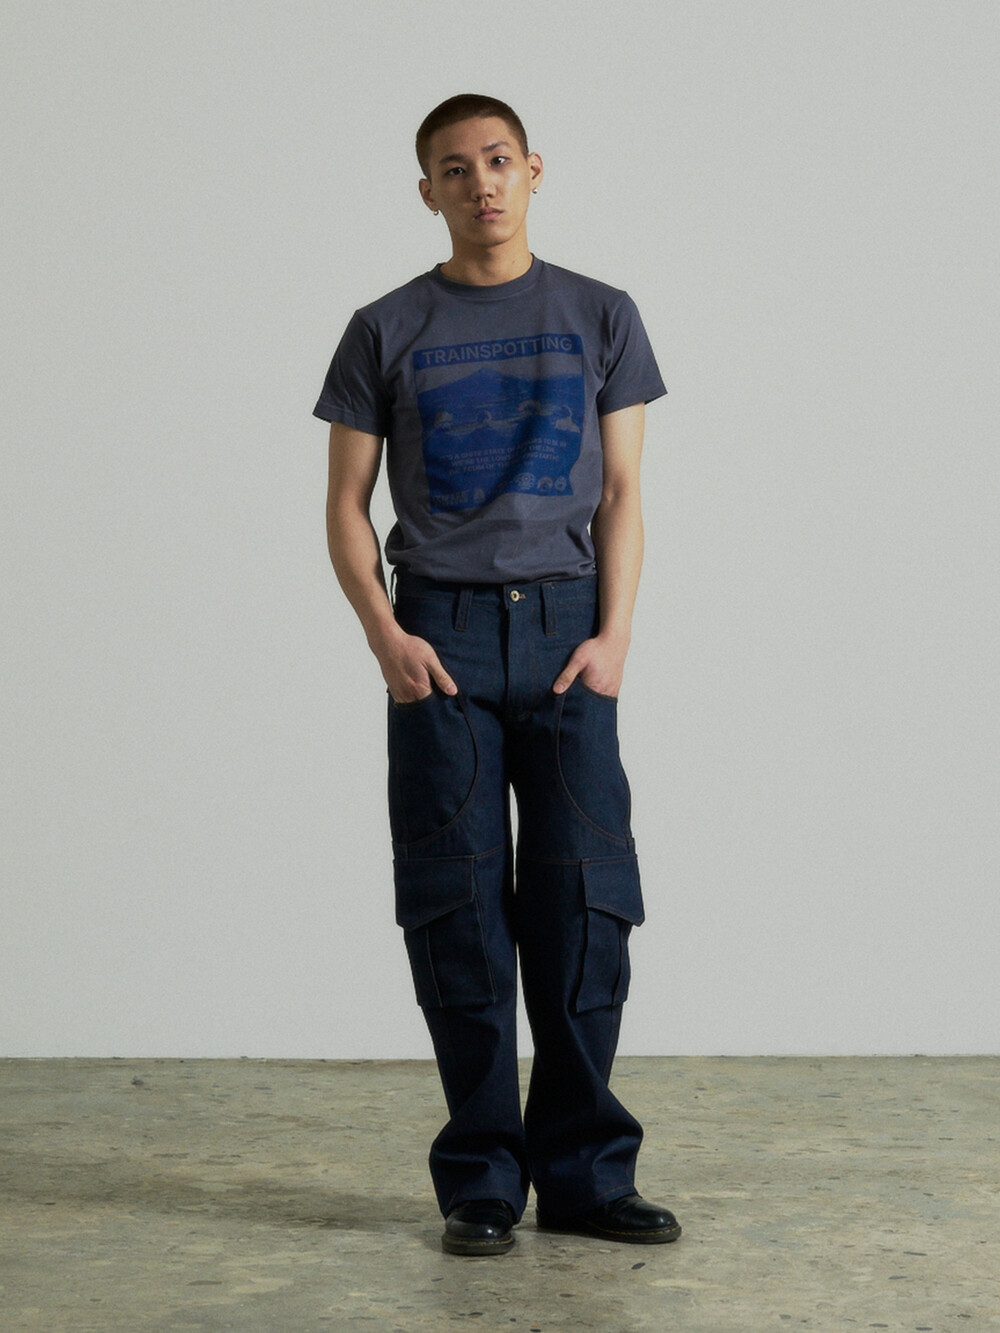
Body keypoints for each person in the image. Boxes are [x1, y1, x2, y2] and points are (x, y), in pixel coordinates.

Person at [314, 94, 680, 1257]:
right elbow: (343, 503)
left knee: (583, 907)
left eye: (499, 161)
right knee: (458, 912)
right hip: (442, 640)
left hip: (570, 634)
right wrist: (385, 635)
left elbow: (622, 493)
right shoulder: (384, 328)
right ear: (426, 190)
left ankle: (584, 1175)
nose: (481, 183)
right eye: (455, 168)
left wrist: (615, 636)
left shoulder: (600, 314)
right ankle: (480, 1180)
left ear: (533, 171)